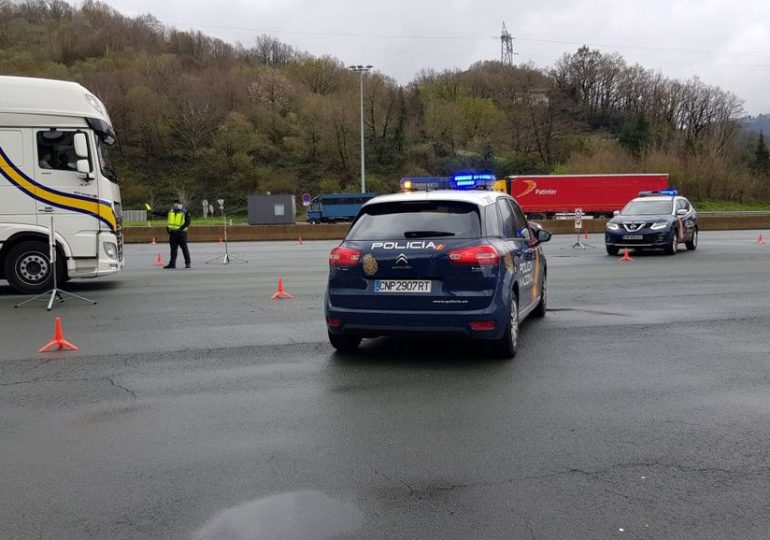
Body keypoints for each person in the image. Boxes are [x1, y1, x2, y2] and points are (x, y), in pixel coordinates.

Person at [150, 199, 191, 269]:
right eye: (174, 203)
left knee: (184, 249)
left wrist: (180, 229)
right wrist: (153, 212)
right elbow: (162, 214)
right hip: (172, 233)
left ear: (180, 204)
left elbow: (187, 223)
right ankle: (172, 264)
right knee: (173, 250)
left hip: (181, 234)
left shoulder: (185, 212)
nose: (175, 205)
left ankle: (188, 263)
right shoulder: (171, 211)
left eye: (176, 203)